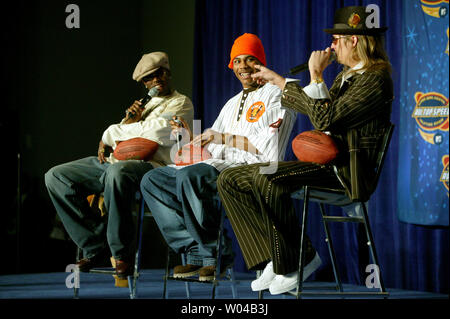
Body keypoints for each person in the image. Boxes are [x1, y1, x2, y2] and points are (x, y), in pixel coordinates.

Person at [217, 6, 393, 295]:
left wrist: (314, 74)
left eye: (336, 40)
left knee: (268, 177)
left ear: (354, 41)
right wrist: (278, 79)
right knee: (230, 179)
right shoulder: (345, 77)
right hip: (326, 164)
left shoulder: (374, 79)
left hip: (347, 172)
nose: (331, 46)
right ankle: (273, 258)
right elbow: (320, 114)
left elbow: (324, 117)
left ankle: (303, 257)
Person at [140, 33, 296, 281]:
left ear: (261, 62)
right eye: (237, 61)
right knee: (153, 180)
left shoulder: (277, 95)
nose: (243, 66)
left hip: (250, 170)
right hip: (215, 166)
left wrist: (222, 138)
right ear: (231, 65)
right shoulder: (231, 103)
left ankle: (215, 255)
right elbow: (209, 151)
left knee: (193, 176)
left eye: (250, 59)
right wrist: (188, 137)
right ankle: (194, 250)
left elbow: (269, 151)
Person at [45, 52, 194, 278]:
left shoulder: (180, 102)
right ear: (144, 84)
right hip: (117, 162)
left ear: (168, 72)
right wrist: (129, 123)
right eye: (149, 78)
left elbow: (157, 134)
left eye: (159, 74)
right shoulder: (143, 105)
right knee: (56, 176)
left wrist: (111, 132)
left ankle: (121, 253)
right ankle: (95, 244)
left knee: (117, 172)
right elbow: (121, 143)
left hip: (151, 166)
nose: (155, 80)